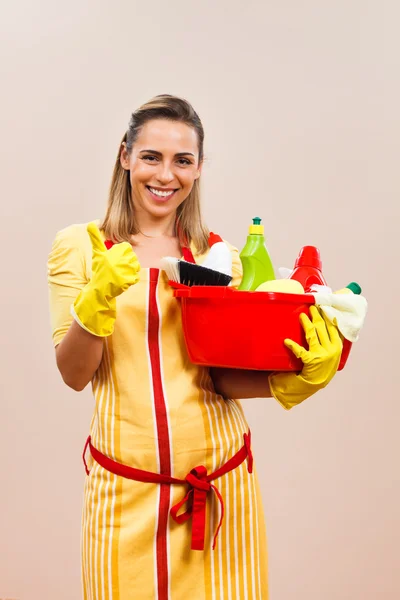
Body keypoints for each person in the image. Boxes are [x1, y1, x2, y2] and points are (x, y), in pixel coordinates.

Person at [47, 94, 342, 600]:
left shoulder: (215, 253)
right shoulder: (82, 246)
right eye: (151, 157)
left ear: (199, 168)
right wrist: (94, 303)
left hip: (222, 489)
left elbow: (218, 375)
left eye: (182, 160)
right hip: (125, 494)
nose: (166, 175)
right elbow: (75, 374)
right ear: (125, 157)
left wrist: (293, 379)